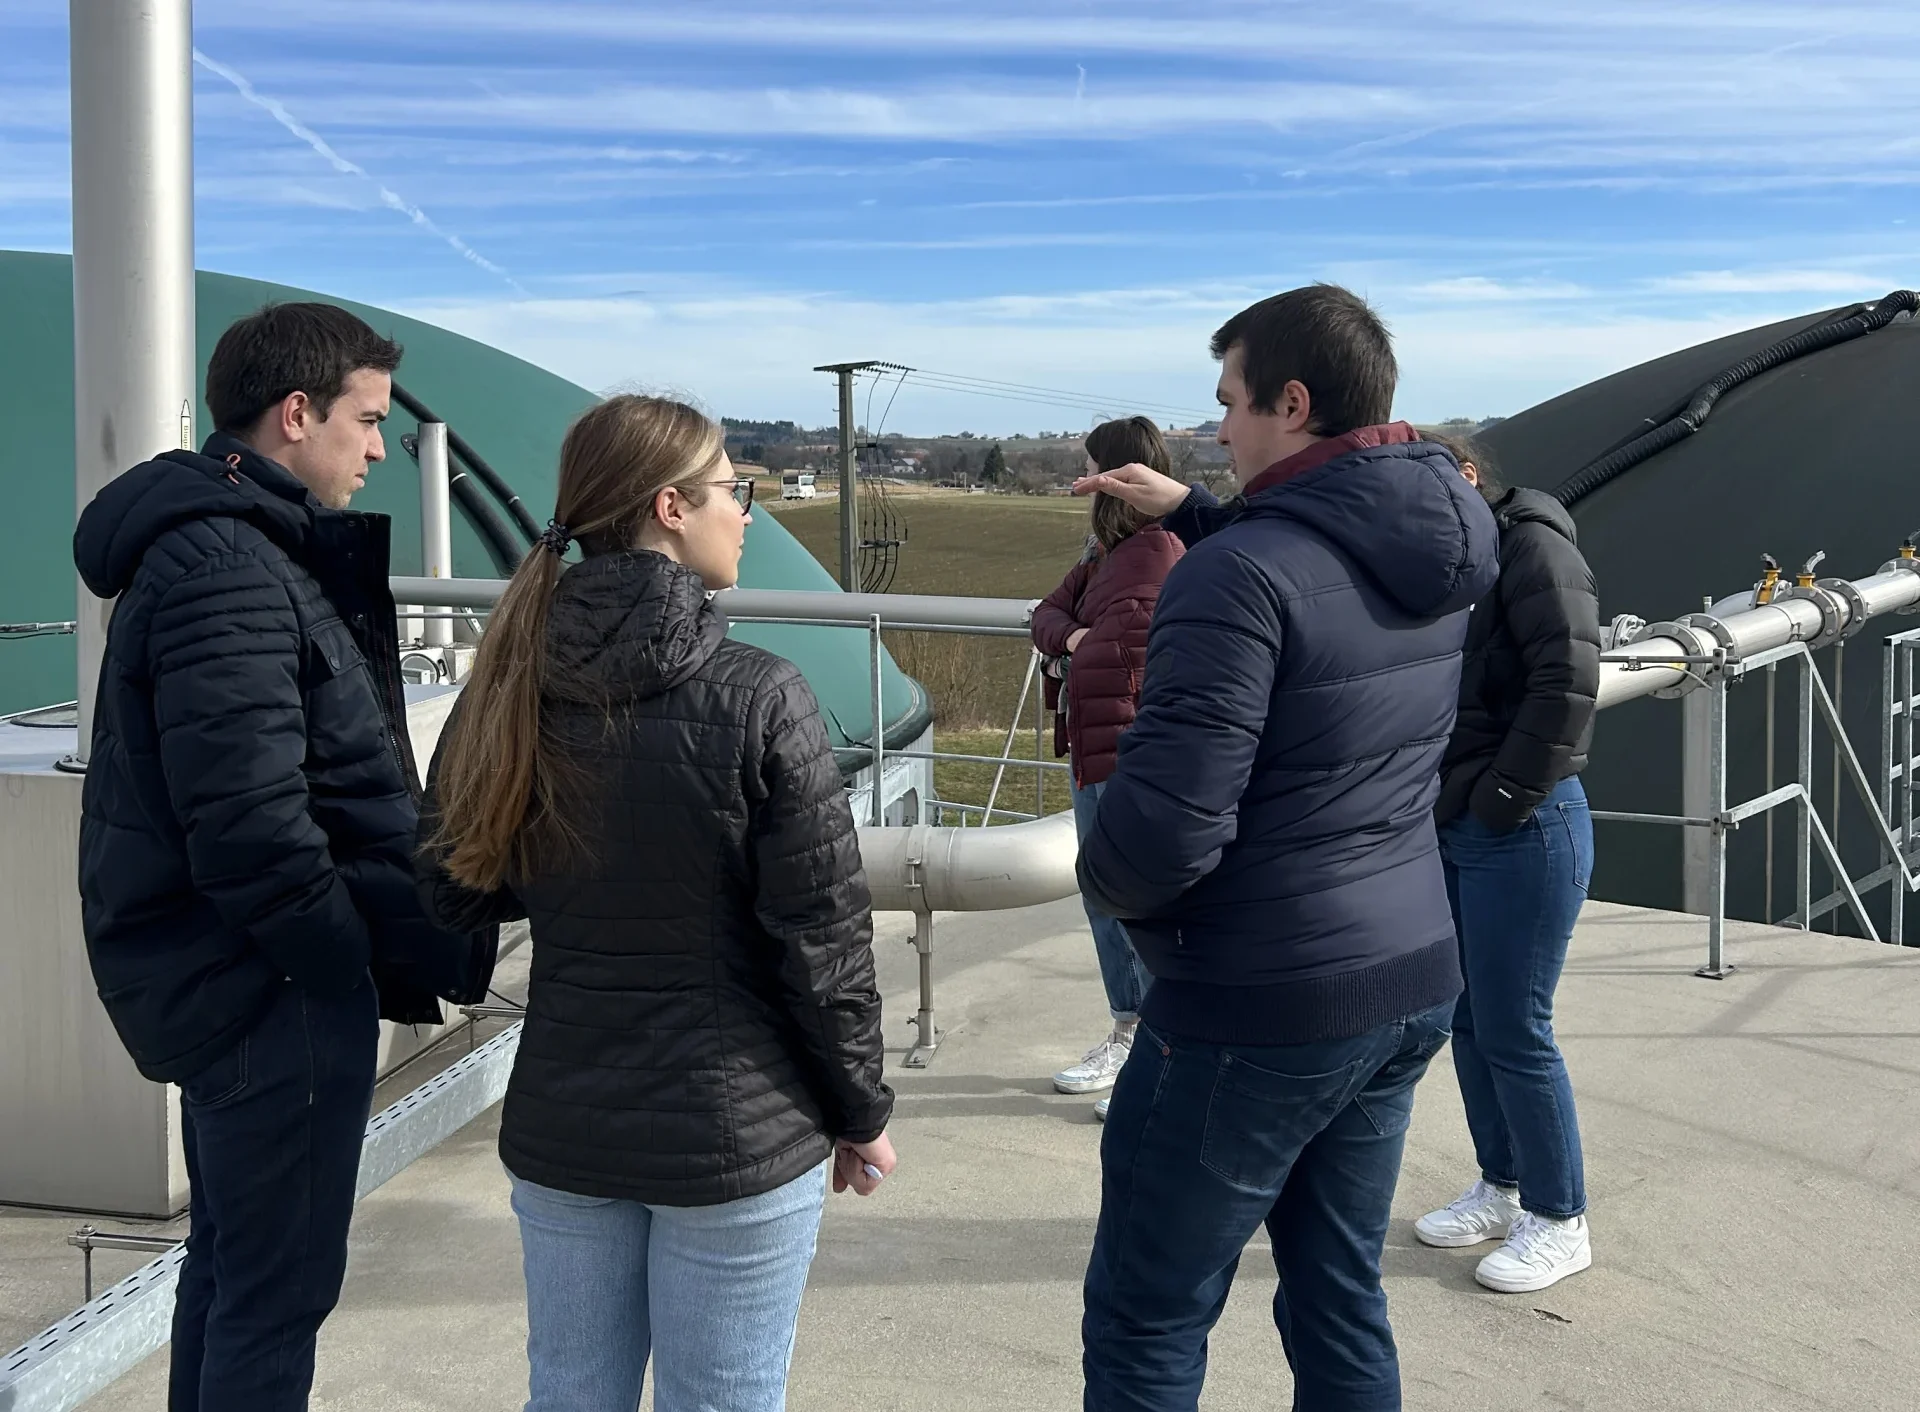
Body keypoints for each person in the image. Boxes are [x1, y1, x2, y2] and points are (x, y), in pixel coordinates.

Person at [415, 394, 896, 1412]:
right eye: (736, 490)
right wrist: (861, 1109)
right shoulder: (763, 692)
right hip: (740, 1129)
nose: (748, 513)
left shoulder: (506, 682)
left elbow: (450, 889)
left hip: (566, 1122)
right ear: (671, 506)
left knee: (573, 1392)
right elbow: (824, 939)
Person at [1070, 283, 1500, 1412]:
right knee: (1336, 1285)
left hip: (1253, 999)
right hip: (1407, 972)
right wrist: (1199, 508)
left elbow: (1164, 827)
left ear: (1292, 401)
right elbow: (1320, 567)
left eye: (1229, 403)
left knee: (1147, 1314)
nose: (1216, 428)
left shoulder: (1235, 574)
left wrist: (1100, 878)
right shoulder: (1443, 544)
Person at [72, 302, 497, 1411]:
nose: (375, 448)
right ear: (294, 412)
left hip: (240, 978)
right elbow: (251, 823)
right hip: (270, 990)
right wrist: (340, 956)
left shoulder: (236, 548)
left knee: (231, 1271)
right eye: (365, 420)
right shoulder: (228, 566)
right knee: (272, 1294)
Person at [1413, 435, 1601, 1293]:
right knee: (1469, 1020)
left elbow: (1566, 679)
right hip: (1462, 819)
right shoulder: (1452, 560)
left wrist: (1500, 798)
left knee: (1518, 1026)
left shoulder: (1529, 543)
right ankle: (1501, 1185)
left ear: (1470, 478)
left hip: (1524, 826)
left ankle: (1561, 1219)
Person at [1030, 416, 1185, 1119]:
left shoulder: (1152, 555)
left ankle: (1152, 1051)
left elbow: (1103, 653)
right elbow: (1048, 613)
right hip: (1100, 751)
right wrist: (1072, 637)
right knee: (1107, 903)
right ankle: (1131, 1034)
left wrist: (1070, 646)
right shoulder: (1107, 553)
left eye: (1091, 467)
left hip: (1127, 757)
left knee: (1133, 908)